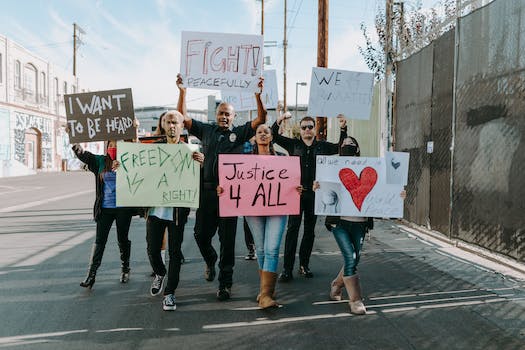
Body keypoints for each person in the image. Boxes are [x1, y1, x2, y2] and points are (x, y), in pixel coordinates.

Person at [178, 73, 267, 301]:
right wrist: (183, 91)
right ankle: (210, 260)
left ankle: (225, 284)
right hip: (207, 193)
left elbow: (261, 119)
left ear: (233, 117)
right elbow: (183, 118)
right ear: (215, 115)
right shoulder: (207, 130)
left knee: (227, 243)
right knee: (200, 235)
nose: (224, 117)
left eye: (228, 114)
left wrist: (258, 95)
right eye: (221, 113)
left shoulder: (240, 134)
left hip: (229, 195)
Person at [316, 136, 405, 315]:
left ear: (357, 149)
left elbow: (384, 192)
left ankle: (336, 284)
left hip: (360, 223)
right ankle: (355, 300)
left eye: (351, 144)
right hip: (339, 223)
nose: (347, 146)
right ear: (340, 148)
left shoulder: (370, 169)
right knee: (350, 257)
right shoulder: (332, 169)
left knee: (355, 258)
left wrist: (398, 196)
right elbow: (325, 191)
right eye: (344, 144)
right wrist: (317, 187)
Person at [217, 124, 302, 308]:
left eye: (266, 132)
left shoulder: (282, 159)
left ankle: (266, 295)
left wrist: (297, 189)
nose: (263, 134)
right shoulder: (245, 160)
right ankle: (264, 292)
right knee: (262, 250)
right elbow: (233, 181)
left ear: (272, 137)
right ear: (254, 137)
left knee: (271, 249)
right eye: (259, 132)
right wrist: (223, 190)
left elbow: (291, 182)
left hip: (278, 209)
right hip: (253, 209)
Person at [271, 114, 349, 282]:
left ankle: (304, 265)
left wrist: (343, 128)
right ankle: (287, 269)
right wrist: (279, 120)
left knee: (309, 231)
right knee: (292, 230)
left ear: (315, 129)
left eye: (310, 127)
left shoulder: (321, 146)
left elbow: (340, 148)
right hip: (296, 194)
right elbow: (274, 136)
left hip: (314, 195)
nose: (307, 129)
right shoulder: (293, 144)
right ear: (300, 130)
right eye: (304, 127)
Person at [143, 110, 204, 311]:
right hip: (155, 211)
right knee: (152, 250)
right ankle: (160, 273)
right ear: (163, 124)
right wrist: (119, 165)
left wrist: (201, 165)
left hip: (177, 212)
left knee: (175, 253)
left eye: (175, 122)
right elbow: (138, 172)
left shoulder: (190, 152)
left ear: (181, 126)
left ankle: (170, 293)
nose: (171, 125)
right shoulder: (153, 150)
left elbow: (199, 181)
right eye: (168, 122)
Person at [72, 140, 134, 289]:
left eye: (117, 145)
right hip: (105, 208)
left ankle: (125, 268)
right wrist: (74, 140)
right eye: (111, 145)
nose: (114, 148)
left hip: (123, 209)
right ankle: (91, 275)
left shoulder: (130, 160)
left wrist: (124, 167)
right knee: (100, 241)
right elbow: (82, 154)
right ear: (107, 147)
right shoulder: (99, 161)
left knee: (123, 239)